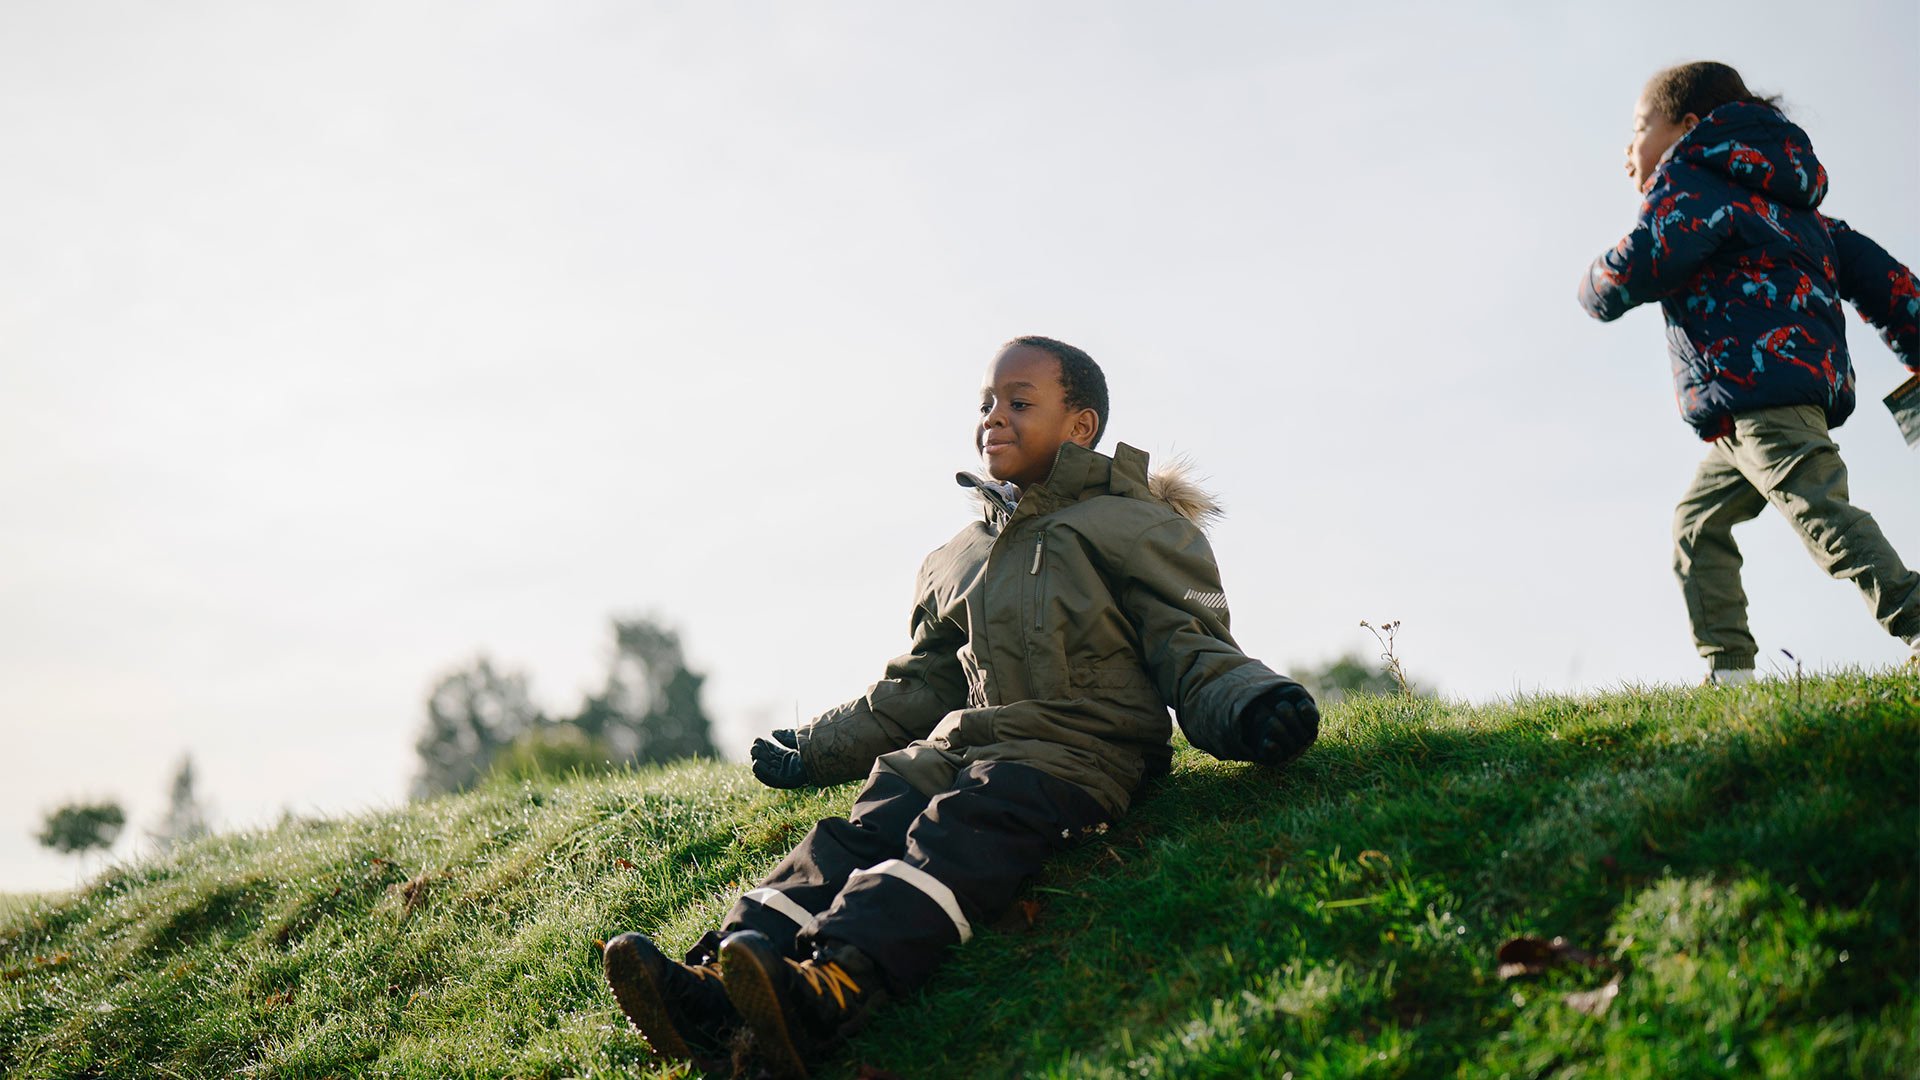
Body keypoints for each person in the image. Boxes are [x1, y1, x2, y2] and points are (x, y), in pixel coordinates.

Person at [602, 335, 1320, 1078]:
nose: (993, 418)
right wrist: (816, 747)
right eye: (985, 403)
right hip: (960, 748)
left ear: (1080, 426)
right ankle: (716, 986)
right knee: (858, 831)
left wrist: (1252, 705)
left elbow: (1191, 644)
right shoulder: (962, 554)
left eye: (1019, 402)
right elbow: (921, 686)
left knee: (958, 833)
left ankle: (834, 983)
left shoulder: (1135, 527)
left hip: (1074, 754)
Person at [1577, 61, 1920, 685]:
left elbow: (1645, 261)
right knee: (1697, 529)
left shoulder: (1691, 183)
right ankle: (1729, 674)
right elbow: (1885, 280)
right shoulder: (1795, 208)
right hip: (1745, 413)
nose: (1628, 148)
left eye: (1639, 128)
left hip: (1763, 400)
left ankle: (1916, 618)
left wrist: (1594, 282)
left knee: (1823, 517)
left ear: (1686, 127)